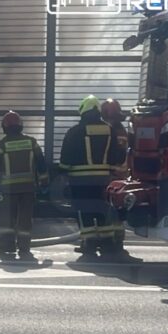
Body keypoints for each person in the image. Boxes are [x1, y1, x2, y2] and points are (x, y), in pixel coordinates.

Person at [59, 95, 127, 259]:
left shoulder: (75, 131)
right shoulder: (109, 130)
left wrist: (63, 173)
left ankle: (88, 242)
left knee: (85, 210)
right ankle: (107, 242)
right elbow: (116, 154)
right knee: (103, 209)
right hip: (103, 178)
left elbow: (66, 156)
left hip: (80, 179)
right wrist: (111, 170)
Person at [0, 110, 48, 262]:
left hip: (8, 190)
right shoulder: (32, 142)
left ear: (4, 127)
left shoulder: (2, 145)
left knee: (6, 221)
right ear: (20, 125)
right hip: (28, 189)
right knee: (25, 219)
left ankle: (6, 246)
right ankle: (24, 247)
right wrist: (44, 183)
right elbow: (41, 164)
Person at [100, 98, 131, 254]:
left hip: (114, 175)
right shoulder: (118, 129)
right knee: (114, 210)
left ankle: (112, 241)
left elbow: (116, 155)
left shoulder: (116, 131)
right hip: (119, 174)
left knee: (111, 210)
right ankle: (113, 240)